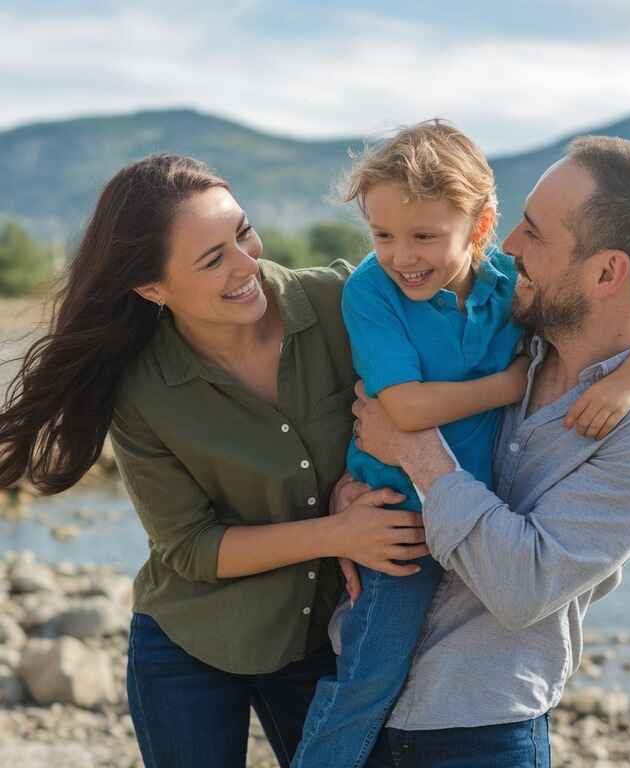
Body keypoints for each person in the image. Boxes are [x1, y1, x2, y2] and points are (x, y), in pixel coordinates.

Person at [0, 154, 430, 768]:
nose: (246, 264)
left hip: (321, 641)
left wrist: (623, 369)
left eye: (242, 233)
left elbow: (476, 311)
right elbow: (192, 548)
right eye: (213, 259)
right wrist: (337, 533)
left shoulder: (345, 303)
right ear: (152, 288)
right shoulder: (139, 389)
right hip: (187, 648)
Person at [293, 124, 630, 768]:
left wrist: (413, 450)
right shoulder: (527, 326)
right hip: (367, 690)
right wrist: (353, 497)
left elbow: (521, 587)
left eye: (534, 231)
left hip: (479, 727)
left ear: (606, 272)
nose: (510, 245)